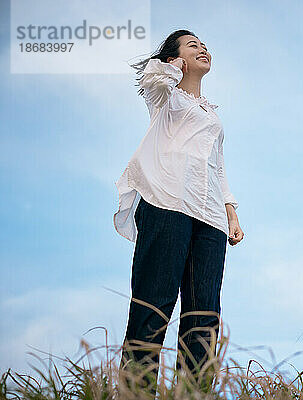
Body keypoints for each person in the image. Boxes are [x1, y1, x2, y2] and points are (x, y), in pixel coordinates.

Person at [113, 29, 244, 393]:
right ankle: (134, 393)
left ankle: (194, 393)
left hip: (210, 216)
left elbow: (218, 167)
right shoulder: (165, 95)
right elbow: (153, 78)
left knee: (204, 315)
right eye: (193, 45)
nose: (203, 48)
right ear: (176, 57)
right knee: (153, 305)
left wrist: (230, 211)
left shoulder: (212, 115)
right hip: (167, 200)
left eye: (205, 45)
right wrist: (172, 66)